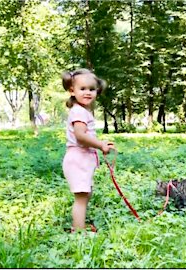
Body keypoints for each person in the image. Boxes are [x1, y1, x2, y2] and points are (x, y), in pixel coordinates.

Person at [61, 68, 115, 232]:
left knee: (85, 194)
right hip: (78, 160)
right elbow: (80, 136)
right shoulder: (78, 112)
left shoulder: (82, 111)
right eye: (82, 89)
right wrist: (100, 145)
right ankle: (78, 231)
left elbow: (86, 135)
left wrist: (101, 143)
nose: (87, 93)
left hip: (82, 160)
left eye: (91, 89)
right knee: (81, 198)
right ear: (72, 91)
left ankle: (80, 225)